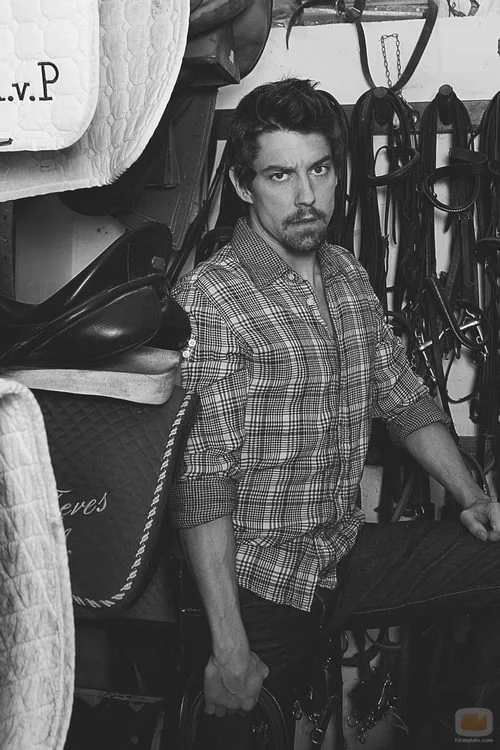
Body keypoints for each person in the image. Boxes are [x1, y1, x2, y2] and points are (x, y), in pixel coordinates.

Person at [169, 78, 500, 748]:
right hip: (259, 584)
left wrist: (470, 495)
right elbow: (202, 484)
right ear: (241, 185)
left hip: (339, 554)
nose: (306, 196)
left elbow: (401, 396)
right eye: (280, 175)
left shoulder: (345, 273)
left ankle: (457, 723)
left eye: (319, 170)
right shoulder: (212, 300)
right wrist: (230, 649)